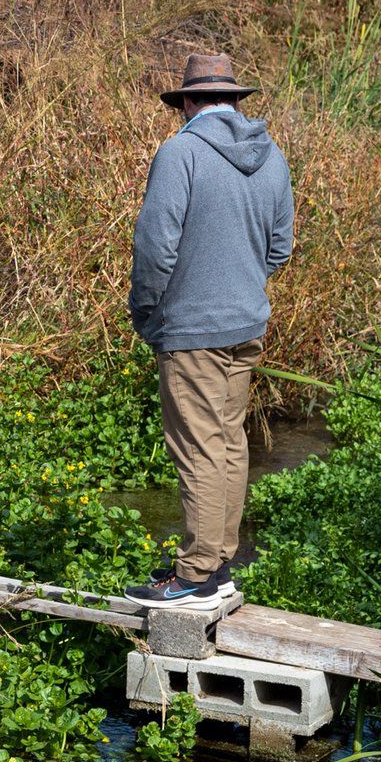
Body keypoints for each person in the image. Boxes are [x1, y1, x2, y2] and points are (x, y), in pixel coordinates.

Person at [122, 54, 294, 610]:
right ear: (236, 101)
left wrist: (147, 313)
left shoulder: (181, 153)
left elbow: (154, 247)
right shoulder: (272, 157)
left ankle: (195, 572)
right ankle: (219, 559)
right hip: (246, 323)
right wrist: (241, 284)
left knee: (198, 448)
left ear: (189, 103)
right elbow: (280, 247)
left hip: (191, 330)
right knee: (228, 442)